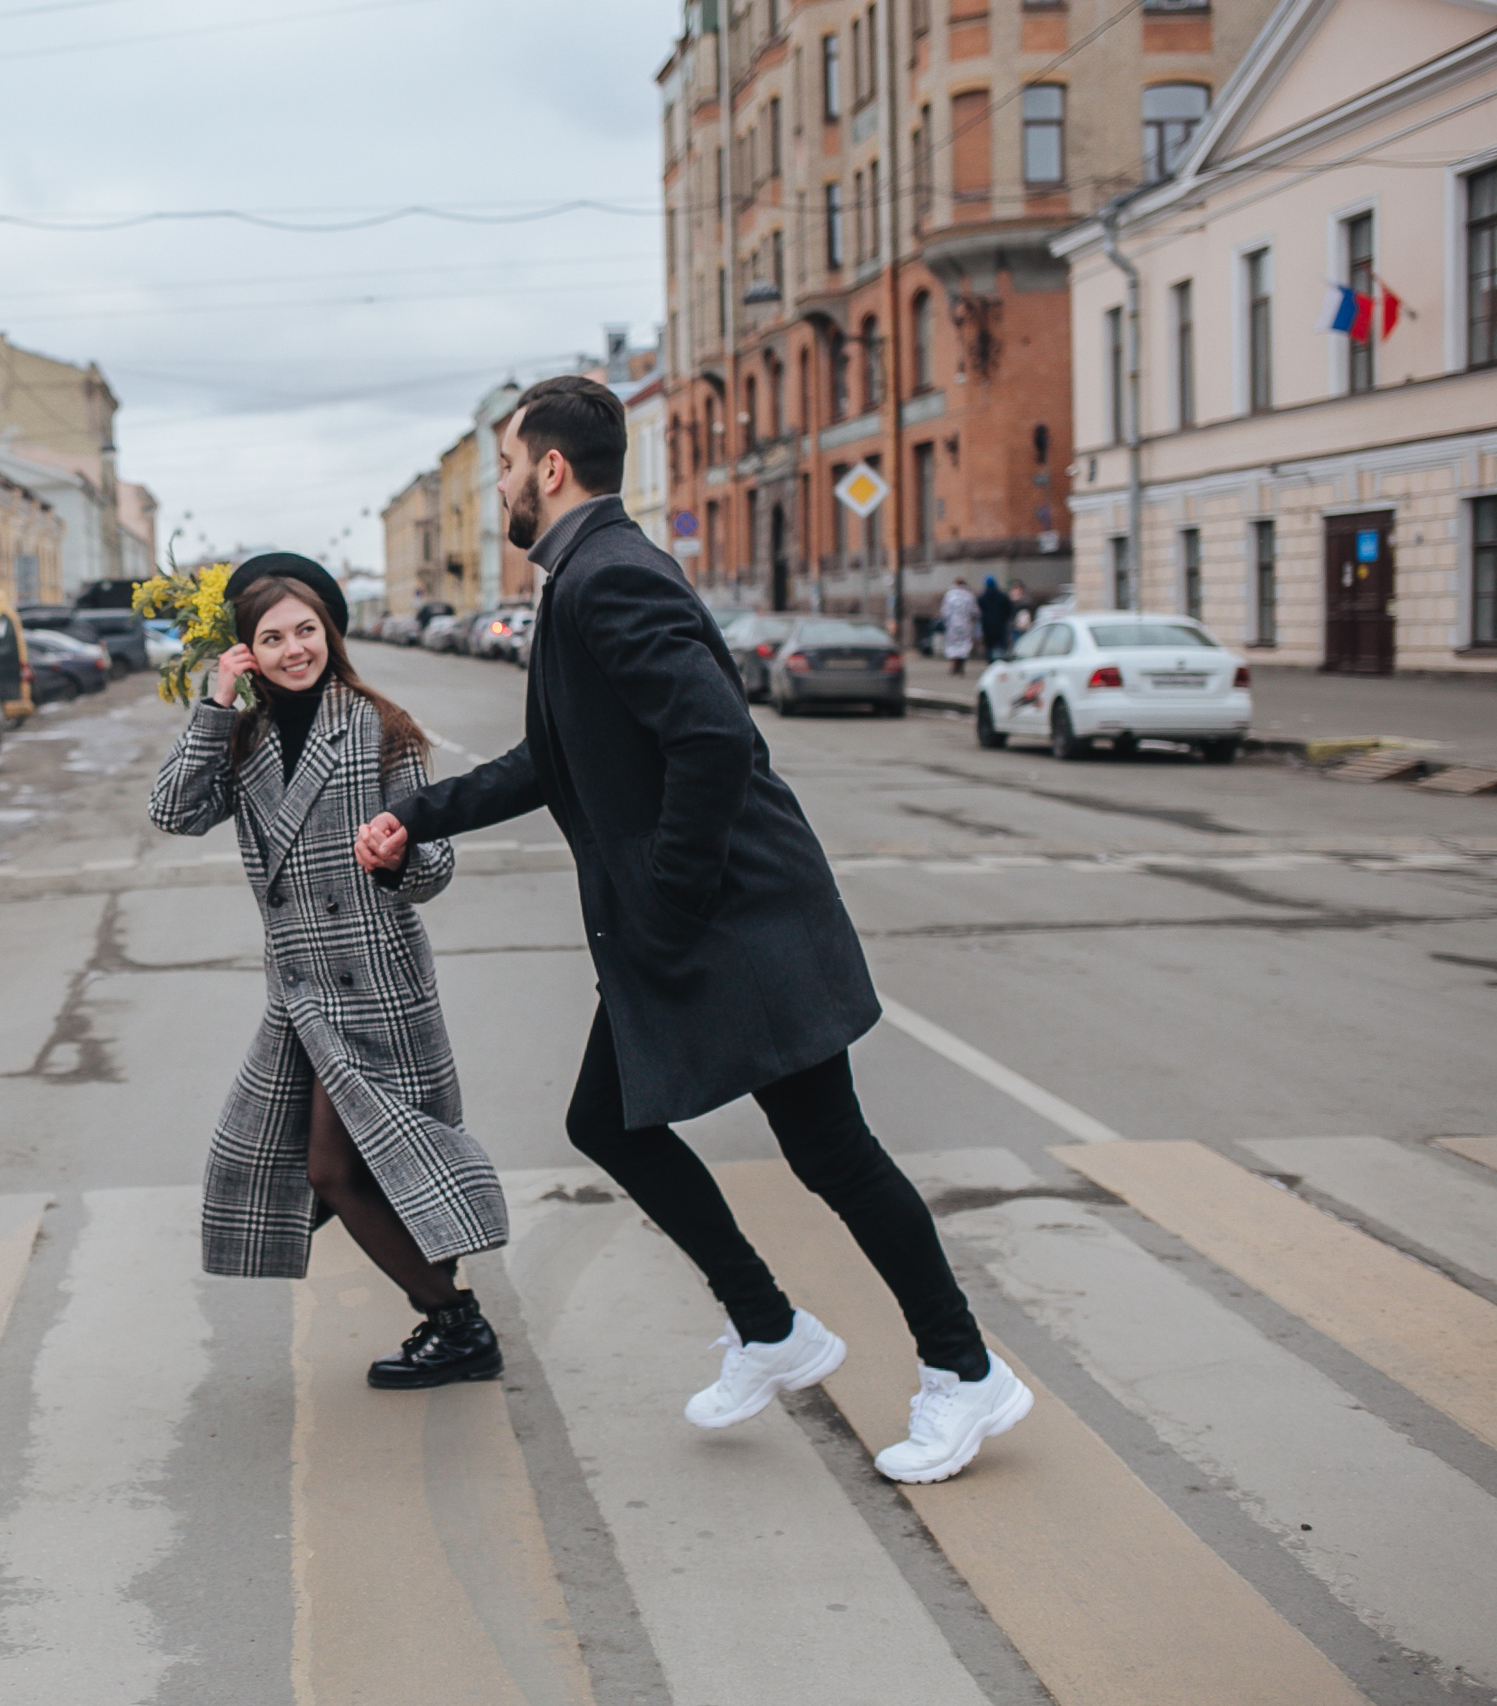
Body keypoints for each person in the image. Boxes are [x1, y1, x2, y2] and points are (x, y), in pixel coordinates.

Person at [353, 376, 1032, 1483]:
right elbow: (554, 758)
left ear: (551, 469)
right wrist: (418, 813)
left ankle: (964, 1372)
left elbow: (714, 738)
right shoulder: (587, 574)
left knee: (832, 1152)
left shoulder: (608, 576)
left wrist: (669, 900)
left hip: (735, 922)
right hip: (712, 925)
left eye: (509, 465)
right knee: (618, 1124)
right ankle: (771, 1327)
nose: (502, 487)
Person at [150, 553, 509, 1390]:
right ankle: (451, 1316)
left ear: (330, 634)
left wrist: (397, 856)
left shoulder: (379, 726)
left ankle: (456, 1322)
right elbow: (173, 812)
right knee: (331, 1168)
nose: (294, 650)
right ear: (248, 652)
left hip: (375, 987)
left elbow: (435, 867)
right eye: (272, 638)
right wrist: (215, 705)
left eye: (306, 630)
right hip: (301, 994)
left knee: (332, 1170)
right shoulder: (244, 737)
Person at [939, 578, 980, 676]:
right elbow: (974, 611)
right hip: (965, 624)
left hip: (952, 625)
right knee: (964, 645)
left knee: (952, 645)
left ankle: (954, 664)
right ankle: (961, 665)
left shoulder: (949, 595)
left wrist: (945, 622)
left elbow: (945, 612)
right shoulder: (968, 596)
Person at [979, 575, 1014, 662]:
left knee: (989, 646)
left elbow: (979, 612)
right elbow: (1009, 610)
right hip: (1001, 625)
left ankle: (991, 661)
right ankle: (1001, 660)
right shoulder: (1002, 596)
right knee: (1001, 645)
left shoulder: (983, 597)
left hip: (987, 626)